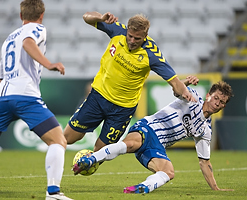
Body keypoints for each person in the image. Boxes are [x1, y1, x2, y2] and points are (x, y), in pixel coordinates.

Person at [73, 76, 235, 193]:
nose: (217, 104)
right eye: (216, 98)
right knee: (130, 144)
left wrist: (216, 189)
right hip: (148, 128)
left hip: (156, 146)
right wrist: (184, 82)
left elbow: (204, 162)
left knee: (169, 172)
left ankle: (141, 188)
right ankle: (91, 159)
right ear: (208, 95)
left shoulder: (205, 130)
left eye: (222, 102)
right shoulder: (193, 98)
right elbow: (177, 90)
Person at [64, 11, 196, 152]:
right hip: (98, 97)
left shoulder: (152, 55)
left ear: (145, 36)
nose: (132, 41)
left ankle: (83, 166)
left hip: (122, 110)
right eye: (130, 36)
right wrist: (100, 18)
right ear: (127, 30)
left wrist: (186, 92)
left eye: (137, 38)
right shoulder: (117, 30)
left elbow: (175, 83)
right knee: (67, 138)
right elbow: (86, 17)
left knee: (100, 153)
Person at [0, 1, 72, 199]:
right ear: (41, 15)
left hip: (2, 97)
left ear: (20, 15)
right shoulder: (37, 28)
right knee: (58, 140)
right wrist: (49, 64)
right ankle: (53, 192)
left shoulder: (8, 39)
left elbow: (1, 75)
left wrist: (8, 102)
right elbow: (28, 43)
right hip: (25, 95)